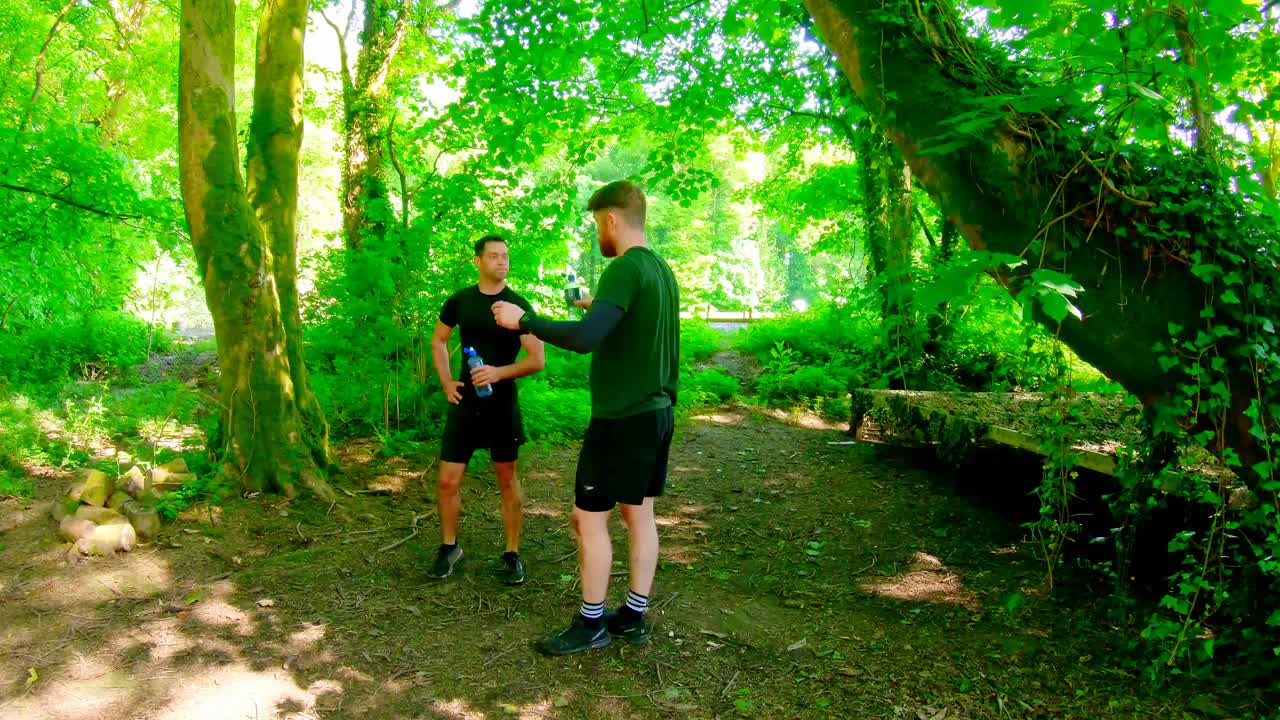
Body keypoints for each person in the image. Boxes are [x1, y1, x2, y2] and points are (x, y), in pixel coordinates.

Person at [492, 180, 679, 655]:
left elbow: (585, 339)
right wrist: (594, 308)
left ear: (612, 220)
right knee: (640, 515)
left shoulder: (623, 267)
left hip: (621, 419)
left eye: (599, 223)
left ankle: (591, 622)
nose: (600, 232)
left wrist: (524, 321)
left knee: (587, 519)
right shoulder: (659, 269)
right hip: (655, 413)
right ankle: (634, 615)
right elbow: (629, 324)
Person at [429, 235, 545, 584]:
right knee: (448, 481)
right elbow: (438, 339)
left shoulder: (518, 306)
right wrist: (447, 382)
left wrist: (498, 372)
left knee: (507, 479)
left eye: (506, 256)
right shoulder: (460, 301)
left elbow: (537, 359)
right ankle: (449, 548)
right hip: (466, 403)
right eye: (494, 256)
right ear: (478, 261)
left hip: (502, 405)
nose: (502, 262)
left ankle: (512, 554)